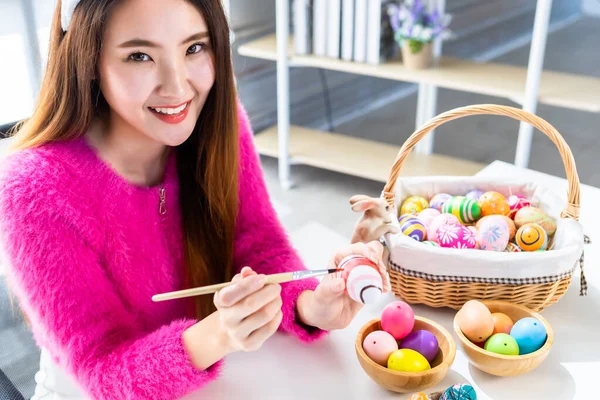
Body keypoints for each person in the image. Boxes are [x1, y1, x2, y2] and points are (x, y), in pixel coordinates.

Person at [0, 1, 388, 399]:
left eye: (194, 48)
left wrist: (310, 305)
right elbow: (103, 371)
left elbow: (259, 246)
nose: (178, 87)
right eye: (139, 55)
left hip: (212, 377)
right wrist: (219, 332)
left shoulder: (219, 124)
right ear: (88, 59)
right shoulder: (33, 191)